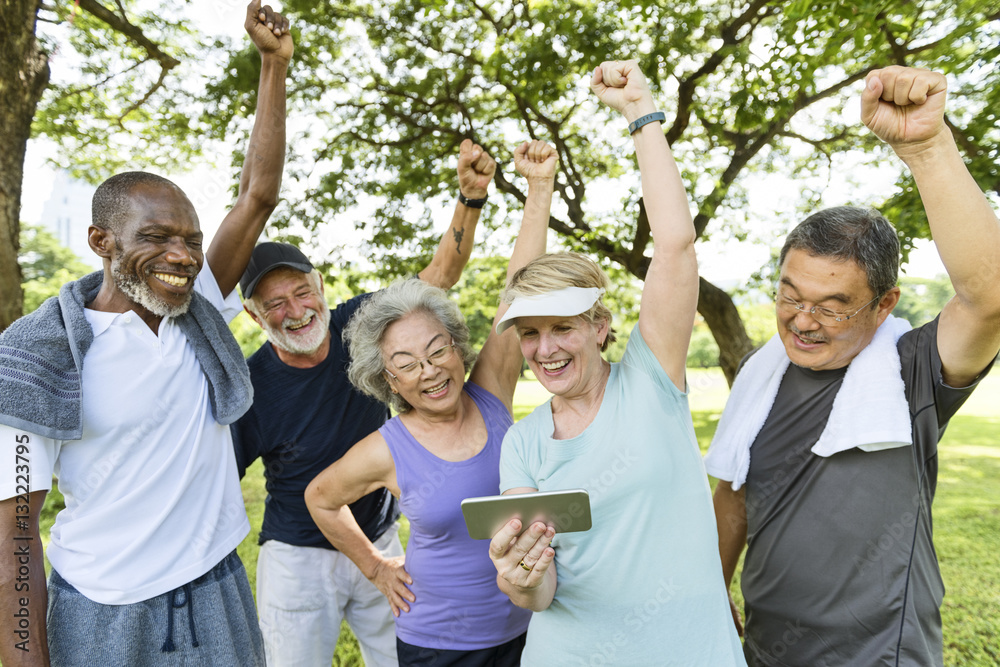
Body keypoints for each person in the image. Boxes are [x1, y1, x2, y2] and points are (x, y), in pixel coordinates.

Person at [0, 3, 291, 665]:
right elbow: (14, 534)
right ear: (102, 241)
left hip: (216, 589)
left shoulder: (201, 314)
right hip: (102, 610)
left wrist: (273, 66)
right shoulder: (35, 357)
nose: (182, 255)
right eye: (156, 238)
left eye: (190, 240)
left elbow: (257, 195)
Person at [705, 66, 1000, 666]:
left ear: (883, 304)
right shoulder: (763, 373)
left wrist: (926, 146)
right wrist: (710, 590)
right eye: (790, 295)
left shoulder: (911, 370)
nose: (802, 321)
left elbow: (990, 296)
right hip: (765, 648)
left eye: (832, 306)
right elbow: (733, 493)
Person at [487, 60, 746, 666]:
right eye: (529, 333)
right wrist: (519, 577)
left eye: (562, 328)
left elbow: (675, 246)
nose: (544, 349)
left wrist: (640, 114)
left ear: (600, 328)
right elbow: (541, 592)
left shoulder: (652, 380)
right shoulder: (523, 445)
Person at [232, 139, 497, 666]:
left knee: (402, 658)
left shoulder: (363, 324)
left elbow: (441, 275)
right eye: (276, 303)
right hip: (298, 555)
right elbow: (219, 480)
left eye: (302, 292)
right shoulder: (251, 387)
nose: (296, 311)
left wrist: (470, 198)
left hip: (384, 534)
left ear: (321, 285)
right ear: (254, 315)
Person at [305, 139, 557, 666]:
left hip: (531, 628)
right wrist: (376, 567)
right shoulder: (387, 448)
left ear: (457, 347)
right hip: (438, 646)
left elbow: (519, 289)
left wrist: (539, 188)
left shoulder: (489, 392)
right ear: (390, 380)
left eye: (437, 350)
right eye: (407, 363)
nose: (430, 371)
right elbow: (321, 498)